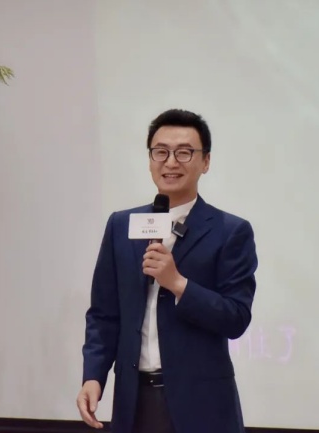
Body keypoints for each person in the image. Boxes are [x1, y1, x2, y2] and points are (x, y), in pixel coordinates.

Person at [77, 109, 258, 433]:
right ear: (150, 160)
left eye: (184, 152)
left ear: (205, 161)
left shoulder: (230, 231)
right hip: (133, 401)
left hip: (202, 406)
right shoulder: (121, 225)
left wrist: (178, 284)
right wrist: (93, 375)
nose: (170, 162)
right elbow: (104, 314)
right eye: (160, 152)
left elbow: (236, 317)